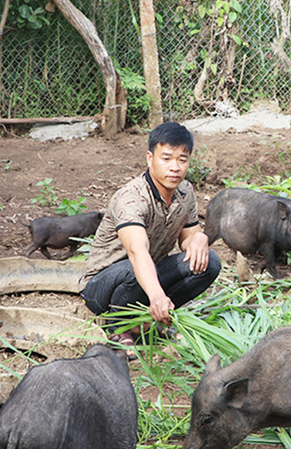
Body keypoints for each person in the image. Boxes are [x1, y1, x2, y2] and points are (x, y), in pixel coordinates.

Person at [79, 122, 221, 357]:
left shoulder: (185, 191)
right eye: (166, 158)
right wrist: (156, 295)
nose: (174, 167)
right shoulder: (131, 197)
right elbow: (137, 251)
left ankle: (152, 317)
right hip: (101, 287)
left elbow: (189, 237)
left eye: (182, 159)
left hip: (145, 277)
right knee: (131, 268)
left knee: (210, 262)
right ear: (149, 158)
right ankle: (117, 324)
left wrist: (199, 239)